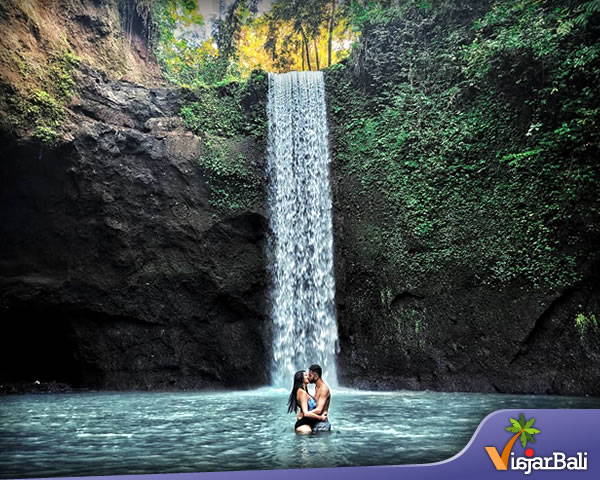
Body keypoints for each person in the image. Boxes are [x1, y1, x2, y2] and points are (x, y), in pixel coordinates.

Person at [307, 364, 332, 432]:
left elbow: (319, 410)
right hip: (316, 422)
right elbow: (316, 401)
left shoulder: (324, 389)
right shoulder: (317, 387)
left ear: (316, 375)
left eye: (310, 375)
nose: (308, 378)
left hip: (322, 425)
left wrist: (305, 414)